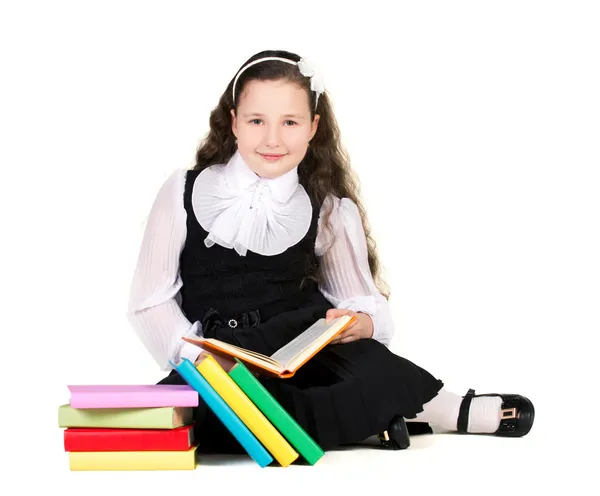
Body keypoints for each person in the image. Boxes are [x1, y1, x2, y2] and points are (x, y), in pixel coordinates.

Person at [127, 49, 534, 454]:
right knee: (206, 410)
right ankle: (385, 417)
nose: (272, 139)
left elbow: (362, 300)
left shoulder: (329, 208)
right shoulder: (182, 191)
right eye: (256, 121)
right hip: (216, 363)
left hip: (301, 353)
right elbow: (150, 300)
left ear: (312, 127)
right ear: (234, 122)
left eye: (290, 122)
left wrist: (362, 322)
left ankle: (438, 408)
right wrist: (195, 356)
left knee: (368, 367)